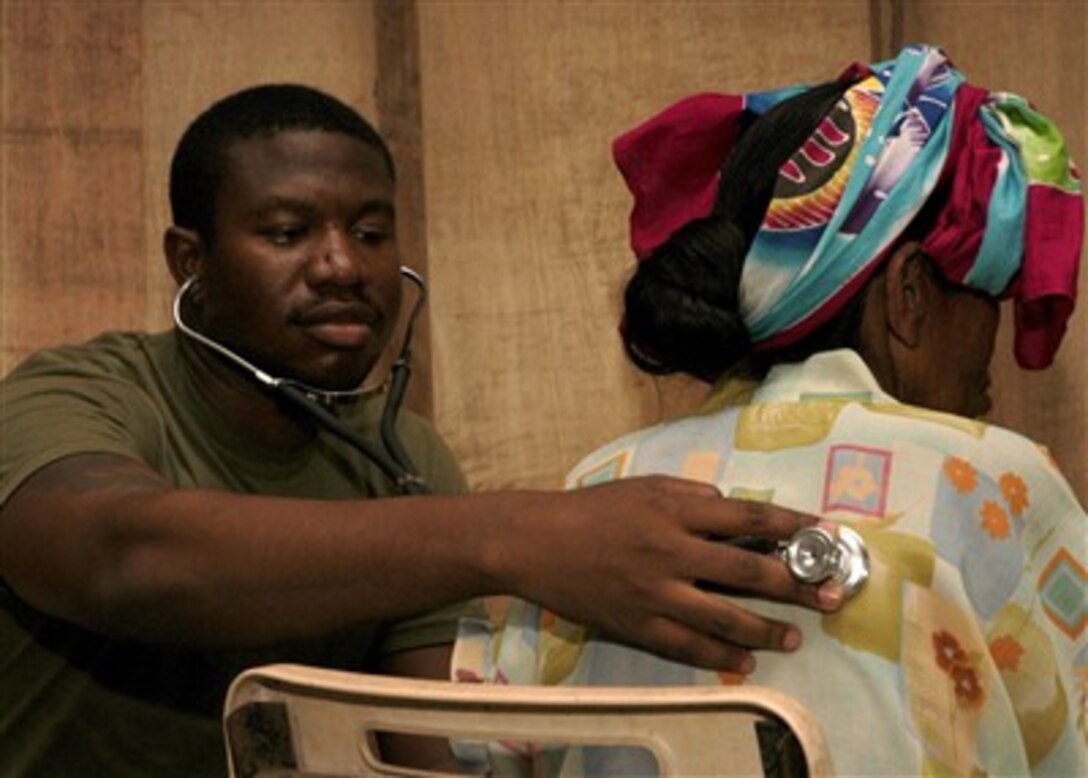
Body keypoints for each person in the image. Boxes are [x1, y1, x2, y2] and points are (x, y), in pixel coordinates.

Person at [0, 84, 842, 776]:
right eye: (288, 233)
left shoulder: (402, 457)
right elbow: (123, 558)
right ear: (192, 262)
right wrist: (512, 535)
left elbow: (416, 748)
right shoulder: (77, 395)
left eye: (370, 232)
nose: (340, 265)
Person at [403, 45, 1086, 775]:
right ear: (911, 293)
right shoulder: (986, 477)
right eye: (988, 298)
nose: (993, 342)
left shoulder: (603, 487)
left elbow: (501, 745)